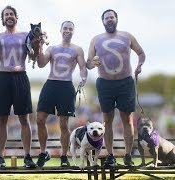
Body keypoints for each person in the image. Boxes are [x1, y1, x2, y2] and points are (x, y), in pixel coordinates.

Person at [0, 5, 41, 168]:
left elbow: (33, 56)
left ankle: (28, 156)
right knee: (2, 118)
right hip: (3, 76)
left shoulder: (24, 35)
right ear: (2, 19)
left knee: (24, 118)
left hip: (21, 75)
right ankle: (0, 157)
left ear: (16, 17)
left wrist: (37, 44)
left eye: (11, 14)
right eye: (6, 14)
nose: (9, 16)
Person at [86, 9, 145, 166]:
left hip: (125, 82)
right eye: (106, 18)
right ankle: (111, 155)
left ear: (116, 19)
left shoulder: (127, 36)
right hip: (105, 83)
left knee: (127, 119)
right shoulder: (96, 39)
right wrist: (93, 62)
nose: (109, 20)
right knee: (107, 120)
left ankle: (127, 155)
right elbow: (88, 64)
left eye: (112, 17)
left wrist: (139, 65)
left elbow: (141, 53)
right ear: (103, 21)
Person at [35, 21, 88, 167]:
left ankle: (64, 156)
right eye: (65, 28)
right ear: (61, 30)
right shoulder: (52, 48)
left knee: (64, 124)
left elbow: (83, 67)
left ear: (73, 31)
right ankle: (43, 152)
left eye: (71, 29)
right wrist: (39, 45)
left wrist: (83, 77)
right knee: (40, 119)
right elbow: (41, 64)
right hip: (51, 84)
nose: (68, 31)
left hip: (66, 85)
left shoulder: (77, 49)